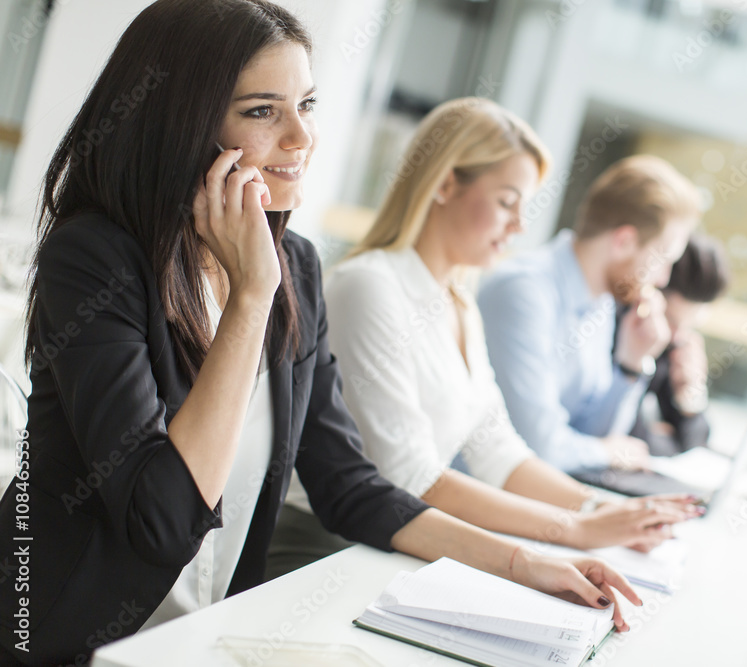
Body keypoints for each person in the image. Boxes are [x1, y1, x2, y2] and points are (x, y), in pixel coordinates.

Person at [0, 2, 639, 664]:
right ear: (183, 125)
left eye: (306, 103)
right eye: (261, 111)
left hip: (199, 638)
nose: (301, 137)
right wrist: (251, 298)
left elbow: (347, 483)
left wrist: (522, 562)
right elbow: (159, 522)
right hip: (63, 640)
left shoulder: (296, 264)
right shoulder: (97, 260)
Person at [269, 100, 702, 580]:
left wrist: (605, 509)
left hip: (400, 546)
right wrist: (576, 529)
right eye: (506, 202)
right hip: (324, 550)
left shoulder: (459, 302)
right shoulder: (369, 287)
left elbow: (499, 451)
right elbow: (410, 478)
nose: (518, 226)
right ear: (446, 183)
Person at [478, 155, 700, 478]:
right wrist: (607, 452)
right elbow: (538, 446)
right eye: (662, 259)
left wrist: (631, 363)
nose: (663, 279)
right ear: (624, 242)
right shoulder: (525, 292)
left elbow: (593, 433)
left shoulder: (602, 303)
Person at [624, 234, 730, 456]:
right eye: (671, 321)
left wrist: (690, 395)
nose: (677, 336)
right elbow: (629, 438)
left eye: (689, 325)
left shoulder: (673, 349)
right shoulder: (626, 334)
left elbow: (694, 438)